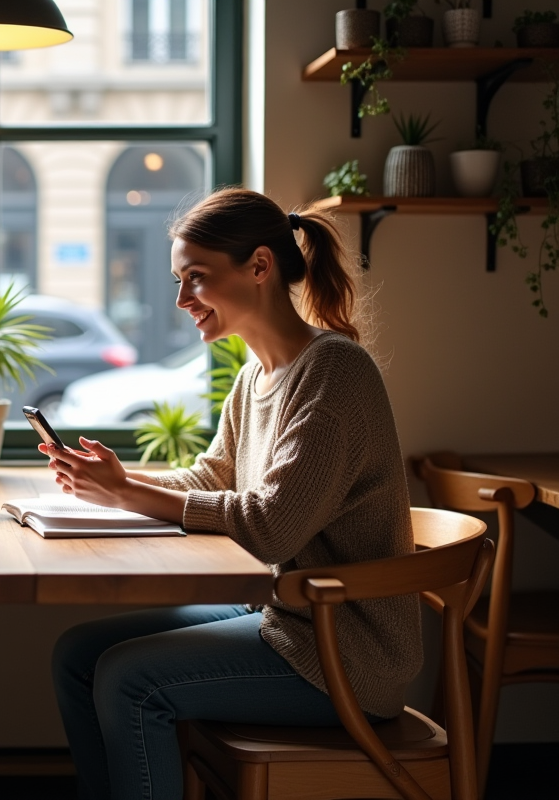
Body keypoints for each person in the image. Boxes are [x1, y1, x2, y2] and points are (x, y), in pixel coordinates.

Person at [46, 188, 421, 800]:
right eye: (177, 279)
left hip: (343, 651)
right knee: (78, 654)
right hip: (285, 616)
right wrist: (112, 487)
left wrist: (131, 496)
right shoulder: (255, 378)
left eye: (196, 277)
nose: (181, 299)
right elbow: (212, 480)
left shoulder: (334, 372)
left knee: (126, 678)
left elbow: (272, 526)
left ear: (260, 267)